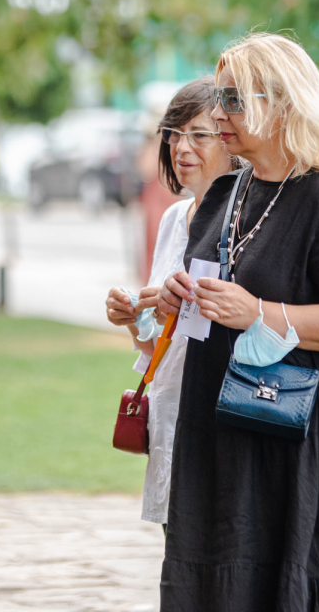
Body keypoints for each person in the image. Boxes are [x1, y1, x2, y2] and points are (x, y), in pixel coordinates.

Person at [156, 32, 319, 611]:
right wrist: (179, 296)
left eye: (235, 100)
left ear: (284, 104)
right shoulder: (226, 194)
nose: (218, 113)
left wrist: (257, 313)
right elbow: (220, 288)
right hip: (223, 430)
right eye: (221, 97)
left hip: (305, 438)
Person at [105, 78, 238, 529]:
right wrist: (131, 317)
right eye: (174, 134)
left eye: (199, 135)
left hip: (223, 426)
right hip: (170, 416)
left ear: (232, 140)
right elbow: (157, 349)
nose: (182, 147)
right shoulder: (173, 217)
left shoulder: (247, 224)